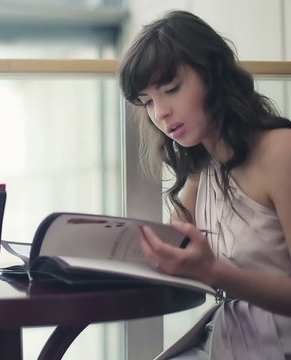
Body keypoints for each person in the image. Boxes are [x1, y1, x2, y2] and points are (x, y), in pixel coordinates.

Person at [119, 10, 291, 360]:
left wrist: (213, 271)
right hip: (227, 346)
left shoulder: (280, 151)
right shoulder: (204, 169)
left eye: (171, 89)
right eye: (148, 102)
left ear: (215, 76)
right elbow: (164, 252)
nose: (160, 113)